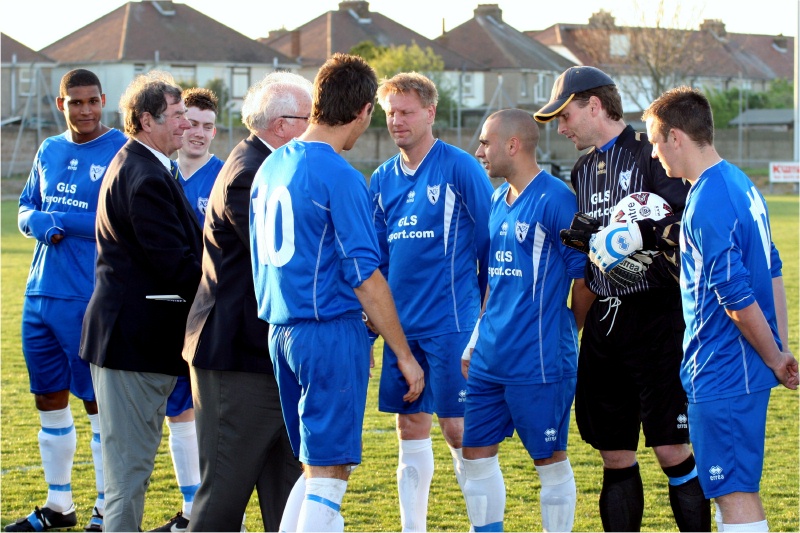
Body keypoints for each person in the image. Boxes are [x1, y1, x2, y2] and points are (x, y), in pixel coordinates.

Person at [249, 53, 425, 533]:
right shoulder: (340, 175)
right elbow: (365, 277)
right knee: (329, 473)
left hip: (281, 331)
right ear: (365, 110)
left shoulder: (270, 166)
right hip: (324, 332)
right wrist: (403, 354)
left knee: (314, 465)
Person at [533, 66, 710, 532]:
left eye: (566, 115)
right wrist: (591, 243)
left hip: (657, 318)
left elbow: (682, 230)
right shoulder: (582, 168)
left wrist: (628, 237)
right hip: (606, 323)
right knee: (614, 453)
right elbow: (596, 255)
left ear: (594, 105)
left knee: (672, 449)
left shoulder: (651, 153)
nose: (563, 127)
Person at [641, 86, 799, 532]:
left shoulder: (708, 199)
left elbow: (736, 296)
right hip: (742, 369)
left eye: (655, 142)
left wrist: (774, 357)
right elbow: (773, 271)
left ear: (676, 137)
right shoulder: (739, 182)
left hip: (725, 370)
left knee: (733, 494)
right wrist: (779, 351)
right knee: (733, 490)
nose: (654, 154)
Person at [181, 72, 312, 532]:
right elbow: (284, 261)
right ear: (282, 125)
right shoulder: (250, 173)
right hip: (235, 360)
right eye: (309, 118)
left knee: (289, 491)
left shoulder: (266, 164)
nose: (316, 127)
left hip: (268, 357)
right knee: (224, 493)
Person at [79, 70, 202, 533]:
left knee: (128, 469)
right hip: (133, 345)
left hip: (133, 341)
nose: (184, 126)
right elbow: (175, 264)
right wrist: (225, 296)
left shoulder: (144, 164)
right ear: (145, 120)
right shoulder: (143, 174)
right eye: (174, 116)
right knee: (128, 473)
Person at [369, 71, 492, 532]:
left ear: (430, 113)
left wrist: (483, 319)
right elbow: (376, 261)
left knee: (459, 429)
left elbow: (489, 244)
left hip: (453, 323)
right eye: (390, 113)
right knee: (409, 427)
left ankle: (485, 525)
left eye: (406, 112)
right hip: (401, 329)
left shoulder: (459, 167)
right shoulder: (381, 178)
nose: (397, 121)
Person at [458, 108, 592, 532]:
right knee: (474, 453)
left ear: (512, 145)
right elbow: (493, 282)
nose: (479, 150)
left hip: (539, 361)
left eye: (485, 142)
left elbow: (585, 276)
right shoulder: (498, 200)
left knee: (548, 460)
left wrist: (568, 328)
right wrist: (477, 337)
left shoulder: (559, 200)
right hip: (489, 359)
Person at [6, 69, 126, 533]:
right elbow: (23, 207)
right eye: (75, 103)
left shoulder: (119, 149)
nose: (85, 110)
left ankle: (103, 509)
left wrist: (63, 222)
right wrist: (37, 222)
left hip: (87, 297)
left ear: (104, 100)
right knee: (47, 399)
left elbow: (120, 216)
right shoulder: (49, 149)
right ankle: (60, 506)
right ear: (62, 105)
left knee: (97, 405)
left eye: (92, 101)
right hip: (39, 295)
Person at [152, 86, 225, 533]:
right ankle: (189, 511)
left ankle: (208, 511)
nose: (197, 133)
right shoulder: (160, 173)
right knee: (176, 408)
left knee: (208, 410)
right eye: (190, 123)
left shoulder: (227, 174)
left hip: (212, 312)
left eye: (207, 126)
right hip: (167, 310)